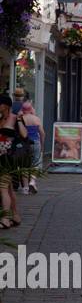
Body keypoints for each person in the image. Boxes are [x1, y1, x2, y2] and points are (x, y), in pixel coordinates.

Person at [0, 95, 23, 228]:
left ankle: (5, 218)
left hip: (8, 158)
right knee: (8, 189)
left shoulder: (15, 118)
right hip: (1, 156)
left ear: (6, 105)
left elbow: (24, 135)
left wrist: (20, 121)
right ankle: (15, 215)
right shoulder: (0, 119)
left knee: (3, 188)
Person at [17, 101, 43, 194]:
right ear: (31, 108)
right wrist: (42, 145)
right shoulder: (36, 119)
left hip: (24, 144)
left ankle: (25, 188)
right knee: (36, 163)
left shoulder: (20, 118)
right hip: (35, 142)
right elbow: (42, 133)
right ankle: (32, 181)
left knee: (24, 165)